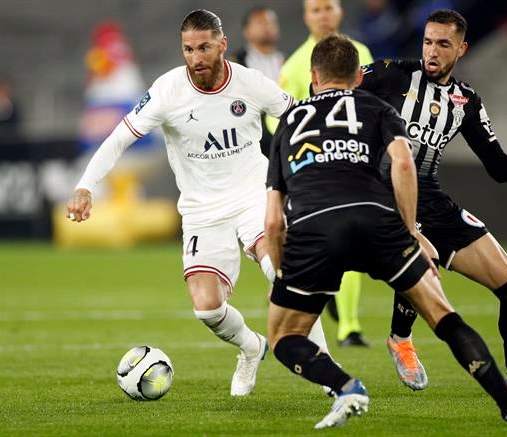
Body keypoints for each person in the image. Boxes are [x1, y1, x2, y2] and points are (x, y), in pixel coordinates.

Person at [265, 33, 507, 429]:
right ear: (359, 76)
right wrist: (411, 232)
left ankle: (346, 387)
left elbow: (273, 219)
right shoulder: (377, 107)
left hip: (316, 228)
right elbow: (404, 165)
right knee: (445, 318)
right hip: (377, 219)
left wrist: (281, 269)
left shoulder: (291, 120)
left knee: (285, 337)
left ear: (313, 76)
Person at [359, 9, 507, 394]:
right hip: (384, 194)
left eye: (443, 44)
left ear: (462, 49)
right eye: (428, 42)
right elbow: (334, 94)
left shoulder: (464, 101)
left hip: (431, 199)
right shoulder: (390, 73)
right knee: (426, 256)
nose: (432, 51)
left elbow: (498, 167)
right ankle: (400, 338)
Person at [66, 9, 297, 397]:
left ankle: (328, 371)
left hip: (253, 194)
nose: (196, 57)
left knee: (280, 272)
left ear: (222, 44)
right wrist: (86, 185)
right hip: (201, 211)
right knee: (207, 308)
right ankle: (252, 348)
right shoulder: (167, 91)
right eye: (188, 49)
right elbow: (120, 137)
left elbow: (299, 116)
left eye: (204, 47)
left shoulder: (250, 83)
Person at [274, 0, 375, 347]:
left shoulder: (360, 51)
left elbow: (373, 102)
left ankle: (349, 326)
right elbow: (278, 120)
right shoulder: (296, 65)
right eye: (316, 10)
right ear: (305, 17)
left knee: (352, 243)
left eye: (328, 8)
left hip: (356, 163)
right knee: (335, 244)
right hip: (316, 173)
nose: (323, 15)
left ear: (340, 11)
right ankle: (340, 318)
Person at [231, 6, 285, 157]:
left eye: (271, 22)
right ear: (246, 31)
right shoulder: (235, 65)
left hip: (281, 134)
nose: (267, 26)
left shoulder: (286, 62)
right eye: (260, 22)